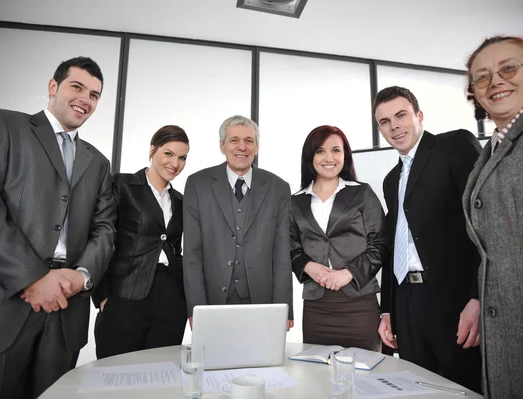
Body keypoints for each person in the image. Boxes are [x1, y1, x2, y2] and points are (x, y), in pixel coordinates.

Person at [0, 57, 115, 398]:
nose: (85, 99)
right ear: (53, 87)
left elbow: (105, 229)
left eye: (94, 94)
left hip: (65, 310)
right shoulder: (2, 124)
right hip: (0, 303)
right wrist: (32, 277)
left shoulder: (99, 162)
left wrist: (83, 276)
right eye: (77, 87)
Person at [462, 36, 523, 398]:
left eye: (508, 68)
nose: (496, 81)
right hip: (504, 337)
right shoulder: (489, 151)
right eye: (483, 77)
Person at [374, 86, 482, 393]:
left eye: (400, 115)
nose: (393, 126)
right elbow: (395, 243)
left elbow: (483, 222)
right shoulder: (391, 179)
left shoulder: (454, 145)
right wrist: (387, 310)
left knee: (462, 388)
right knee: (415, 388)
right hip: (406, 303)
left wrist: (477, 297)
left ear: (419, 116)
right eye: (384, 122)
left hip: (452, 300)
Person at [183, 115, 293, 330]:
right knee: (216, 362)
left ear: (257, 147)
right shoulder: (198, 184)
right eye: (234, 140)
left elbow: (282, 254)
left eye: (249, 141)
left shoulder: (278, 187)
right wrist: (195, 307)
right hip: (212, 301)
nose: (242, 147)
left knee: (263, 362)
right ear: (222, 146)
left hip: (263, 303)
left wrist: (285, 307)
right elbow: (192, 254)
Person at [93, 125, 190, 359]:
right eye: (168, 153)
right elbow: (101, 236)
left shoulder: (180, 200)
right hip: (125, 293)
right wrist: (103, 297)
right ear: (152, 150)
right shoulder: (122, 185)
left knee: (161, 373)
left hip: (170, 297)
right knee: (116, 375)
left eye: (182, 157)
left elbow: (176, 248)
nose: (175, 163)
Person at [290, 125, 388, 350]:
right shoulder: (296, 202)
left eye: (336, 150)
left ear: (345, 155)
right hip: (317, 307)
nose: (329, 158)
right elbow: (291, 247)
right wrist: (308, 267)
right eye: (320, 151)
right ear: (310, 156)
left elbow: (381, 243)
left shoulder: (362, 193)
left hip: (360, 304)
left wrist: (349, 272)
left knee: (366, 376)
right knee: (319, 377)